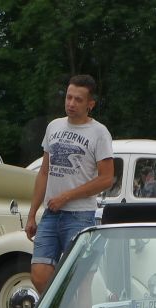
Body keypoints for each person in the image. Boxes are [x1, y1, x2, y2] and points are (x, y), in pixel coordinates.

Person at [25, 74, 115, 293]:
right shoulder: (54, 127)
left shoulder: (99, 133)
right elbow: (44, 172)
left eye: (78, 100)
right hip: (50, 214)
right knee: (39, 274)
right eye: (68, 97)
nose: (71, 103)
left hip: (79, 215)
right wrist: (32, 214)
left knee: (80, 283)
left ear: (90, 104)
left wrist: (67, 196)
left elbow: (106, 178)